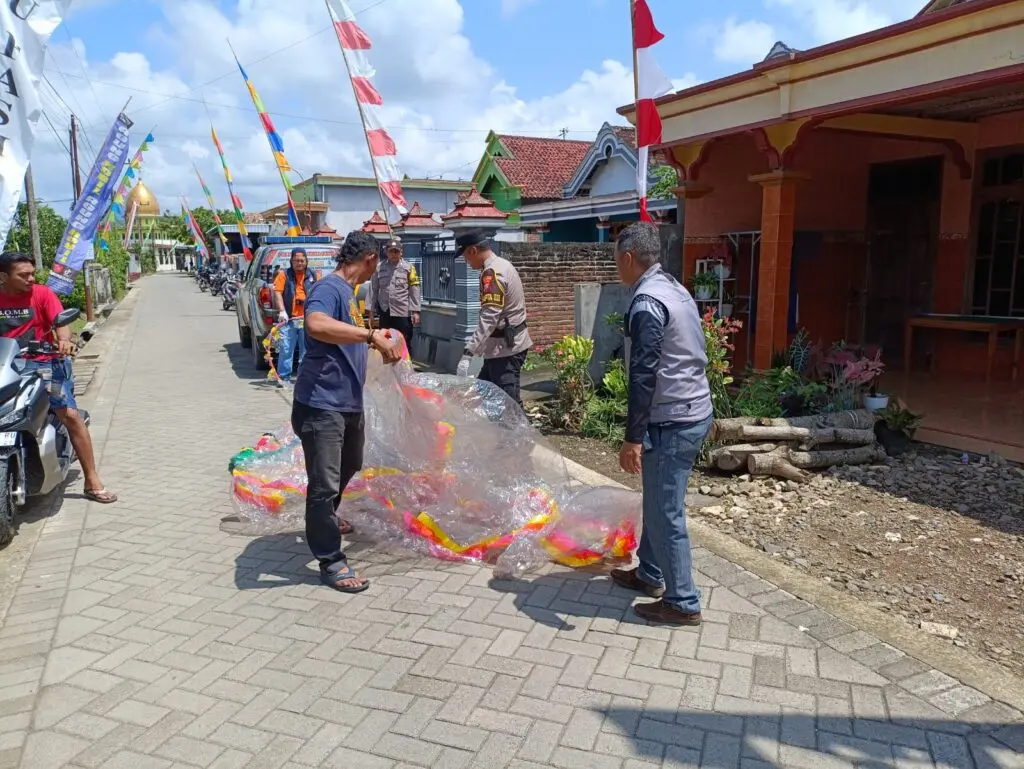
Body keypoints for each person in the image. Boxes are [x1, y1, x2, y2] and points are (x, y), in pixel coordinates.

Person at [608, 222, 713, 626]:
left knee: (666, 512)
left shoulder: (648, 302)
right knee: (656, 499)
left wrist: (632, 438)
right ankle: (650, 573)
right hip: (692, 409)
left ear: (628, 258)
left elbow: (644, 374)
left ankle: (683, 602)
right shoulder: (672, 286)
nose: (617, 265)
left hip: (673, 419)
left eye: (617, 258)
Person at [292, 231, 401, 593]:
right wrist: (369, 337)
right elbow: (316, 324)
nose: (377, 269)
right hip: (321, 405)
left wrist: (378, 341)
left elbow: (346, 337)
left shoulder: (351, 296)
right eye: (378, 262)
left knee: (351, 464)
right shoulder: (329, 288)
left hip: (347, 403)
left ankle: (326, 518)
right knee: (323, 485)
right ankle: (331, 560)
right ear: (370, 258)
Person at [0, 252, 117, 504]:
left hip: (42, 363)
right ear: (3, 276)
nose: (31, 279)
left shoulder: (42, 294)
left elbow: (59, 322)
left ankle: (92, 480)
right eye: (23, 275)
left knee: (70, 415)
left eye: (32, 273)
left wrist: (64, 340)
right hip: (5, 365)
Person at [455, 230, 531, 406]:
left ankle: (520, 434)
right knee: (485, 397)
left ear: (473, 250)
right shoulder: (502, 265)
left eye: (466, 256)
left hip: (505, 350)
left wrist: (469, 352)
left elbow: (489, 317)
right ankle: (502, 433)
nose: (466, 262)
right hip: (500, 347)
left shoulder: (492, 274)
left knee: (509, 406)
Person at [272, 247, 318, 385]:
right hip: (288, 320)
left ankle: (303, 379)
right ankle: (284, 378)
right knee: (286, 350)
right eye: (296, 261)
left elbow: (318, 293)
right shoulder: (283, 275)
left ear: (306, 261)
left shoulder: (313, 276)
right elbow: (278, 293)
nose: (299, 263)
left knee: (306, 352)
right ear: (291, 261)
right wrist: (282, 311)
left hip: (306, 320)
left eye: (302, 260)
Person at [367, 238, 421, 347]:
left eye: (396, 251)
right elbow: (373, 289)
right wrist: (370, 310)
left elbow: (414, 289)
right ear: (386, 252)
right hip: (385, 311)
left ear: (401, 252)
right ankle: (387, 363)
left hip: (402, 312)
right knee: (385, 342)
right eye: (391, 251)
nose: (394, 254)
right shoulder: (379, 268)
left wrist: (415, 311)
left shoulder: (409, 268)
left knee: (404, 342)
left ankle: (405, 363)